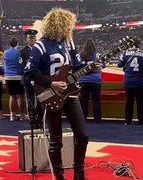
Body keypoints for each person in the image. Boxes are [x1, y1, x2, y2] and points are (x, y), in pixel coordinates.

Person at [25, 8, 98, 180]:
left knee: (82, 136)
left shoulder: (69, 43)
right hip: (51, 95)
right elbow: (29, 72)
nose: (69, 29)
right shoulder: (40, 45)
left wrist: (91, 67)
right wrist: (51, 83)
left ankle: (79, 175)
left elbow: (77, 67)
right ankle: (59, 176)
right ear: (58, 25)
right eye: (67, 25)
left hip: (71, 94)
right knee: (56, 140)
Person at [117, 38, 143, 125]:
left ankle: (128, 121)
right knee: (140, 101)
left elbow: (119, 64)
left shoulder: (125, 53)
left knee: (129, 101)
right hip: (140, 81)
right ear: (138, 44)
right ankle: (141, 121)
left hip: (129, 81)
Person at [77, 40, 103, 124]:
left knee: (83, 101)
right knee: (96, 100)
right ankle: (97, 120)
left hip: (83, 81)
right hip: (95, 80)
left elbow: (76, 66)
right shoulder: (97, 55)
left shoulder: (79, 55)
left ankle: (83, 119)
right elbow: (103, 65)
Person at [21, 29, 43, 128]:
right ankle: (32, 118)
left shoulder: (40, 50)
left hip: (39, 79)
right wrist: (31, 78)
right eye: (30, 38)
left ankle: (39, 117)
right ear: (27, 39)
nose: (32, 40)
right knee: (29, 99)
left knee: (40, 99)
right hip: (28, 79)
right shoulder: (23, 51)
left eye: (34, 38)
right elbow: (23, 67)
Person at [3, 37, 26, 121]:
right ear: (17, 44)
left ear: (9, 44)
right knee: (20, 97)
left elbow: (5, 63)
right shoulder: (20, 52)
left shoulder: (5, 52)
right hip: (19, 75)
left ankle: (12, 115)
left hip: (9, 76)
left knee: (12, 97)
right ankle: (22, 115)